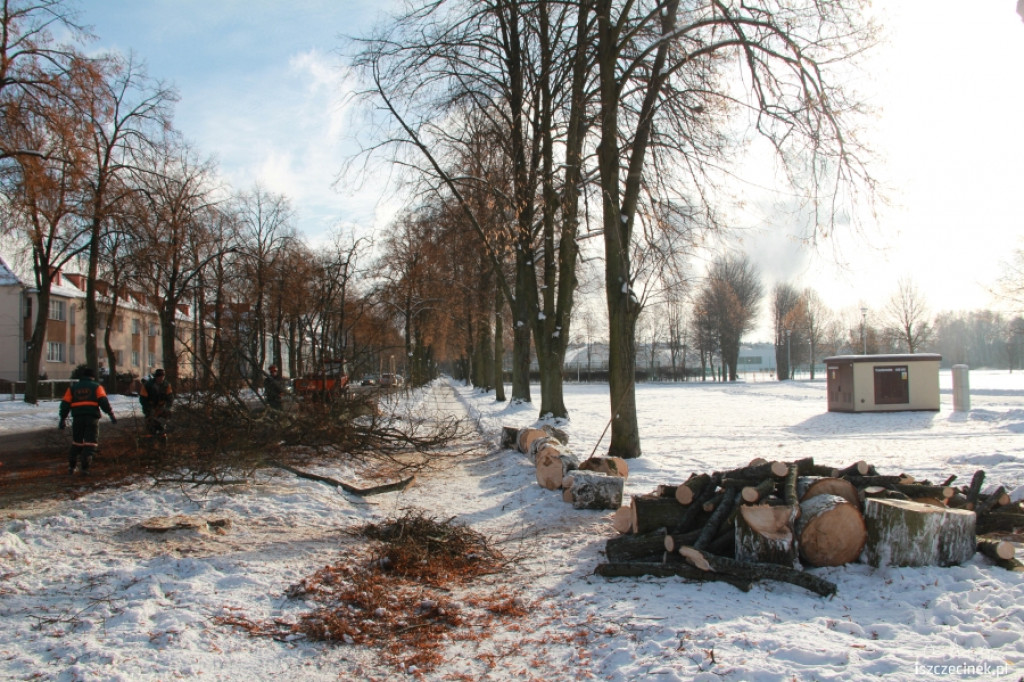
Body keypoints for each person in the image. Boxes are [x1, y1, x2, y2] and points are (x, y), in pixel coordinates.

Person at [59, 366, 117, 475]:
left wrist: (62, 419)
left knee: (77, 442)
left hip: (77, 418)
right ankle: (85, 468)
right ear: (93, 377)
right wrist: (111, 414)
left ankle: (72, 466)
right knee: (90, 442)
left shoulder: (72, 388)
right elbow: (104, 402)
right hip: (92, 418)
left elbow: (65, 404)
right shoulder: (97, 387)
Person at [139, 369, 174, 436]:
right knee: (150, 423)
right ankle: (150, 435)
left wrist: (167, 408)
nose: (161, 379)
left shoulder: (166, 385)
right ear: (156, 377)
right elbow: (143, 399)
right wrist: (149, 408)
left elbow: (170, 398)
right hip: (150, 407)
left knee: (165, 418)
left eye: (162, 377)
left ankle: (162, 433)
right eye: (160, 377)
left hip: (161, 407)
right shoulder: (148, 385)